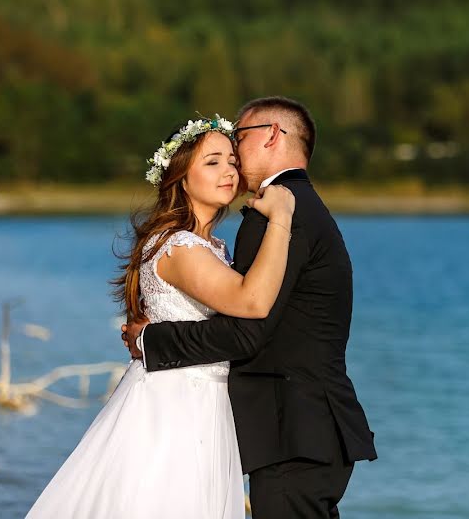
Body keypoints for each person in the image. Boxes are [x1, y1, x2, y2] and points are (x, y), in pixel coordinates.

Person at [27, 115, 296, 518]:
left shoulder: (212, 247)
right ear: (180, 180)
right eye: (212, 162)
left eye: (231, 160)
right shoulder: (179, 246)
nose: (228, 170)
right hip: (173, 410)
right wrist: (282, 218)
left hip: (205, 406)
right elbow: (252, 302)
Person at [123, 97, 377, 519]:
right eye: (214, 160)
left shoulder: (278, 211)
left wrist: (152, 339)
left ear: (272, 135)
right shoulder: (299, 204)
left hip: (294, 431)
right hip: (301, 429)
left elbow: (247, 329)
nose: (234, 157)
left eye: (238, 139)